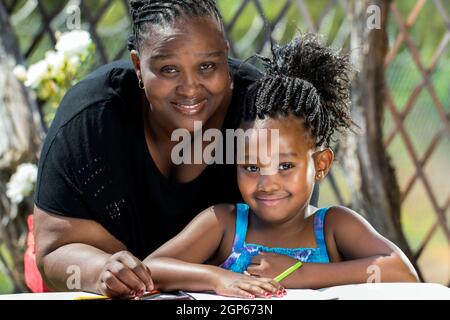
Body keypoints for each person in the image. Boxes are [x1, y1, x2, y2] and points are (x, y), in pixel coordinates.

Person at [32, 0, 319, 297]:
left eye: (207, 66)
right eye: (168, 69)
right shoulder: (91, 121)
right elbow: (55, 247)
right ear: (138, 66)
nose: (190, 88)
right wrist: (101, 268)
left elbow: (288, 242)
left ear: (226, 54)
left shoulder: (264, 117)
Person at [144, 34, 420, 299]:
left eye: (285, 165)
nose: (267, 183)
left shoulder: (333, 226)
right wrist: (217, 277)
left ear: (320, 164)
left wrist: (299, 273)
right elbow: (153, 268)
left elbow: (401, 271)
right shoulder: (225, 224)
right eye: (251, 167)